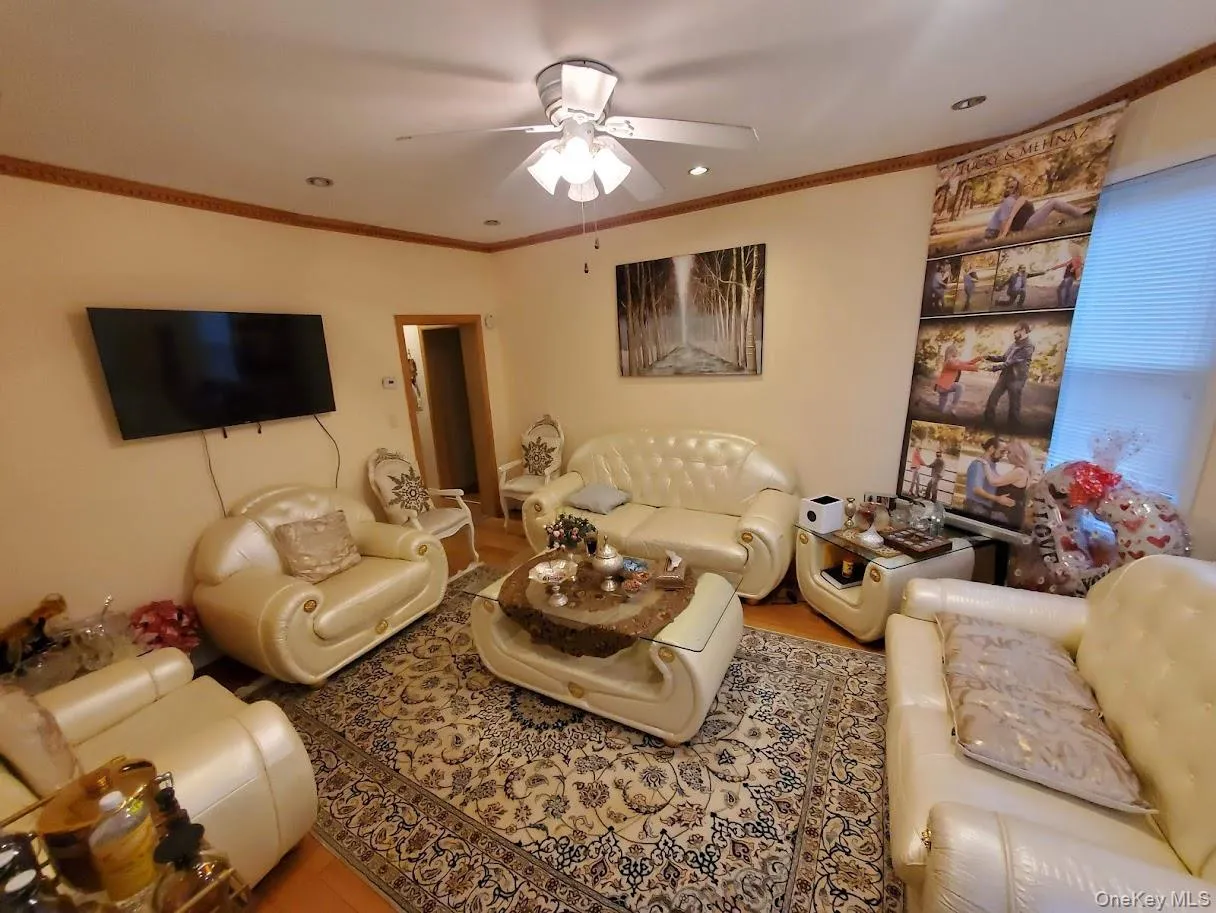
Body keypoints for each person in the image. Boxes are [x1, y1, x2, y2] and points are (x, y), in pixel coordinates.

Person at [983, 176, 1091, 241]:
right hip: (1028, 225)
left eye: (1013, 187)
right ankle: (1081, 213)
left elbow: (1009, 218)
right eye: (1009, 187)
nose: (1011, 189)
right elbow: (1008, 218)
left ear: (1018, 188)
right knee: (1054, 202)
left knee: (1052, 211)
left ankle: (1076, 215)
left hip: (1029, 223)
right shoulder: (1017, 200)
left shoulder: (1012, 201)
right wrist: (1003, 235)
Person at [983, 322, 1035, 428]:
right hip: (1005, 376)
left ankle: (1013, 427)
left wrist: (994, 368)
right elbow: (1004, 358)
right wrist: (988, 357)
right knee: (993, 398)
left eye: (1016, 331)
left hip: (1017, 378)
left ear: (1023, 330)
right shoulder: (1014, 344)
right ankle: (987, 422)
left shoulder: (1029, 345)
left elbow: (1013, 361)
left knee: (1014, 405)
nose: (1014, 333)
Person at [964, 437, 1015, 518]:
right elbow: (976, 490)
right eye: (1001, 452)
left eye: (1005, 453)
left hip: (984, 508)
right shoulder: (978, 465)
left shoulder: (991, 466)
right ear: (991, 449)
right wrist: (998, 499)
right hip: (976, 508)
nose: (1003, 456)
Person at [987, 440, 1034, 527]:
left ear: (1017, 454)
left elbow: (993, 482)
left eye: (1009, 452)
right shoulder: (1025, 471)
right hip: (1010, 514)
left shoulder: (1019, 471)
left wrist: (985, 462)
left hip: (1004, 514)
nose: (1006, 455)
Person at [934, 342, 981, 415]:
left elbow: (968, 363)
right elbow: (961, 366)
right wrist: (976, 368)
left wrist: (978, 358)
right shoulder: (949, 361)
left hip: (945, 387)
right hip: (942, 387)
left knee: (941, 411)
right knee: (960, 386)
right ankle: (953, 407)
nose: (958, 352)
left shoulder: (955, 361)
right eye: (956, 350)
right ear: (952, 351)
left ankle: (921, 400)